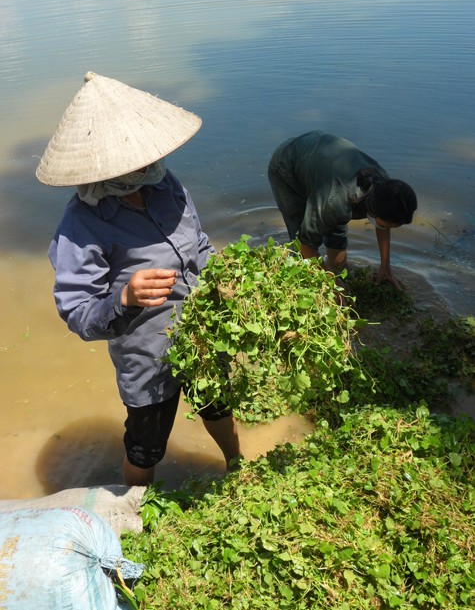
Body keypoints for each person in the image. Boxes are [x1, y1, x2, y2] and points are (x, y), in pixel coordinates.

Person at [36, 71, 241, 486]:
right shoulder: (81, 225)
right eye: (137, 162)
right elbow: (78, 313)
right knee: (146, 443)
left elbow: (198, 242)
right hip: (148, 353)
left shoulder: (165, 186)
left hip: (203, 331)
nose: (151, 166)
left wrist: (224, 276)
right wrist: (125, 298)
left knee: (217, 406)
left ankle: (237, 466)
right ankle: (136, 510)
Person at [268, 130, 418, 289]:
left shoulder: (386, 188)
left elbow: (382, 225)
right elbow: (305, 245)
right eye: (387, 225)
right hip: (287, 165)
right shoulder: (334, 203)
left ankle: (332, 269)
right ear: (374, 210)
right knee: (301, 235)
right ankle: (302, 285)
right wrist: (333, 285)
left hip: (322, 165)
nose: (386, 228)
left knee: (338, 256)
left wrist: (385, 267)